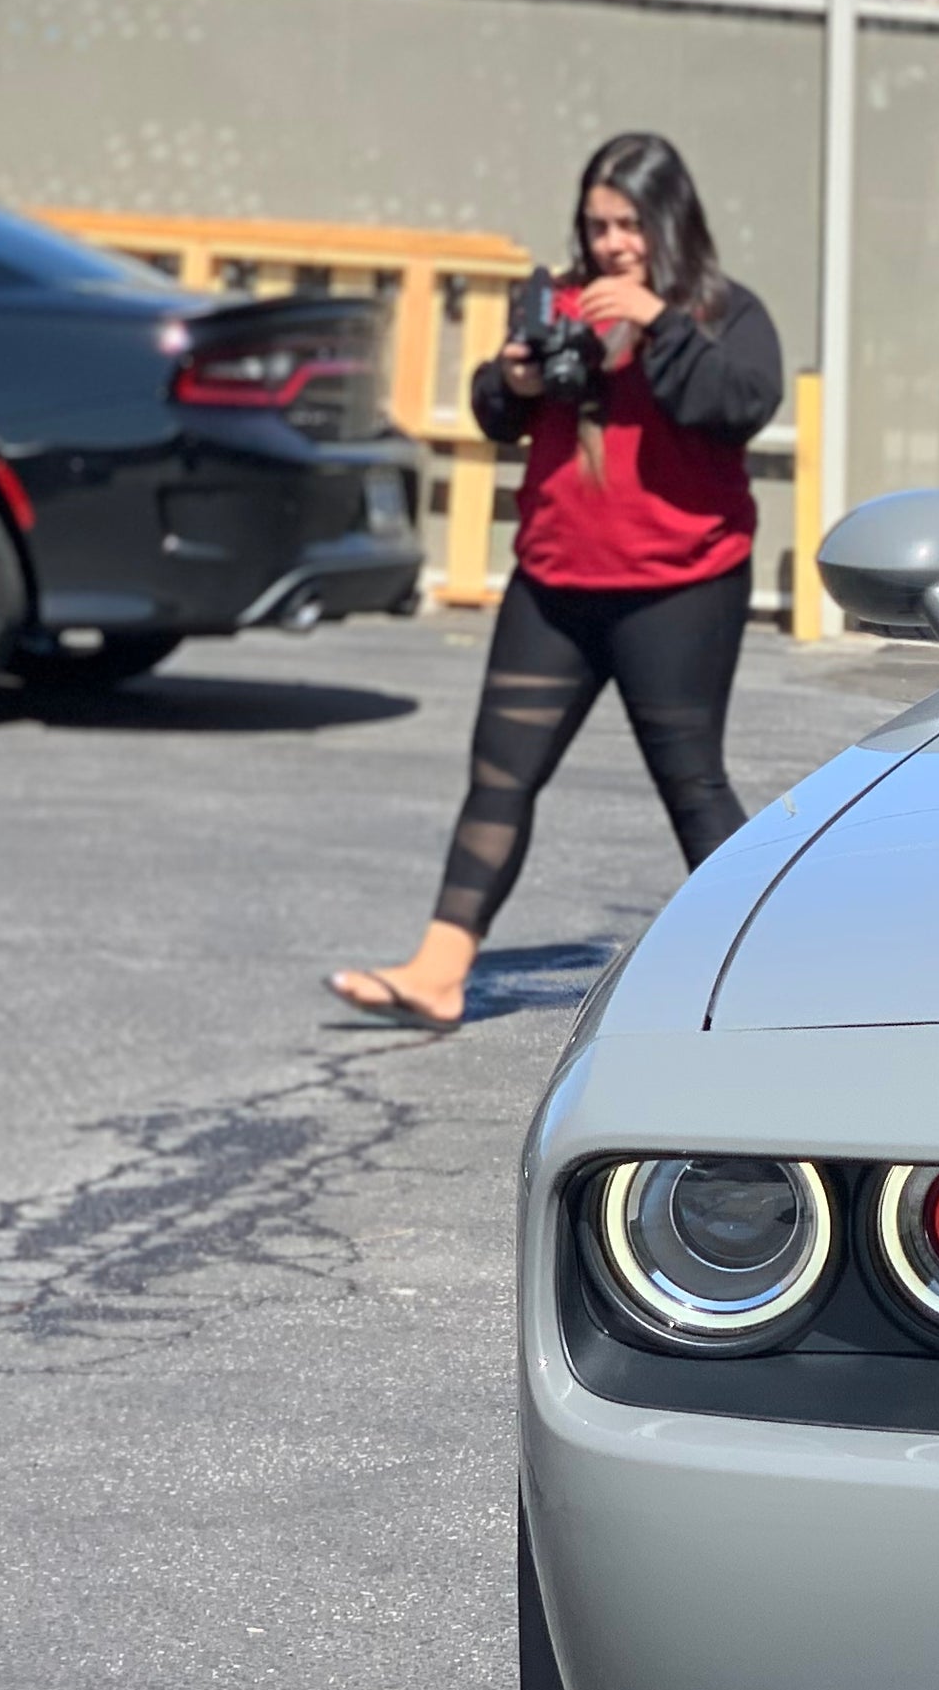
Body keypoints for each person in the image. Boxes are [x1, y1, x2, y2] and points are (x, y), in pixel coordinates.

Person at [329, 134, 783, 1026]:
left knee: (692, 787)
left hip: (679, 588)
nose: (611, 242)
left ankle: (772, 976)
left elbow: (735, 405)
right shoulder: (560, 304)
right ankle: (437, 970)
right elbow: (497, 410)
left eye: (629, 224)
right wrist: (511, 376)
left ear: (668, 220)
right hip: (555, 583)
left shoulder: (723, 310)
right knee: (498, 777)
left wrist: (655, 320)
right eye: (596, 223)